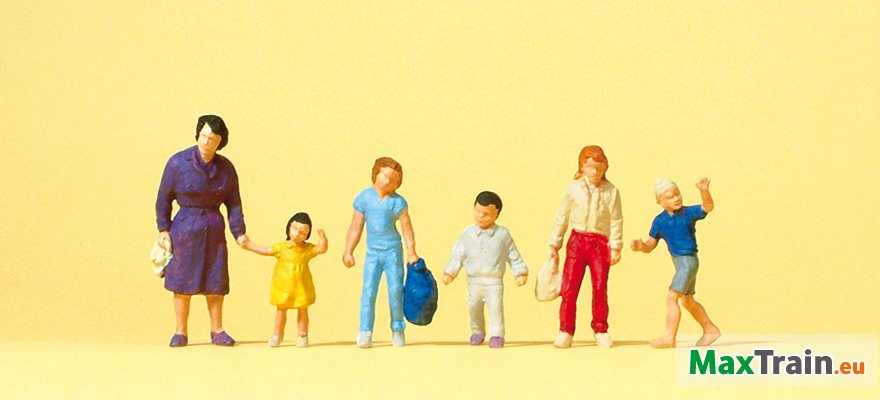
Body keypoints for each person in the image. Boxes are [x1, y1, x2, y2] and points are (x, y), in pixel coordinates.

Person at [156, 115, 253, 347]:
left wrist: (239, 232)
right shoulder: (177, 163)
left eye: (212, 139)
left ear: (220, 142)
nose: (206, 142)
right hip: (184, 229)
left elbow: (234, 203)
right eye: (203, 136)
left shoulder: (226, 168)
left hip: (213, 229)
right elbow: (163, 198)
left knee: (215, 281)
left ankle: (217, 329)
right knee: (181, 282)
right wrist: (163, 228)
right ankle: (180, 331)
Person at [631, 178, 721, 348]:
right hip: (680, 264)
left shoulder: (688, 213)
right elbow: (650, 244)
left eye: (677, 194)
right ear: (660, 201)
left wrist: (704, 191)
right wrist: (641, 246)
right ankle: (710, 329)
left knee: (672, 298)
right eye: (670, 197)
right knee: (687, 300)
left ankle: (669, 338)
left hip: (688, 262)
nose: (676, 198)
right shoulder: (660, 221)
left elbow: (708, 206)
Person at [548, 145, 623, 348]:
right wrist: (555, 243)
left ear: (605, 167)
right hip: (577, 241)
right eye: (590, 167)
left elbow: (616, 220)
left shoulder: (611, 191)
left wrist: (616, 247)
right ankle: (565, 330)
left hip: (599, 244)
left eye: (599, 167)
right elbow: (562, 216)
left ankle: (600, 329)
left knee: (600, 288)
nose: (594, 172)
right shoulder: (573, 188)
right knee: (569, 288)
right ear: (581, 166)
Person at [342, 157, 419, 348]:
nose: (387, 181)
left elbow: (407, 230)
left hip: (393, 252)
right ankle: (365, 330)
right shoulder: (364, 199)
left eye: (393, 179)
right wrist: (348, 250)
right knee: (368, 291)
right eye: (384, 175)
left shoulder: (398, 203)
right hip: (372, 254)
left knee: (396, 291)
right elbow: (355, 227)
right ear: (375, 174)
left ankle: (398, 328)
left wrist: (411, 251)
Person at [443, 191, 528, 349]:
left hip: (494, 281)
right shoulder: (467, 234)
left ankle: (497, 334)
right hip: (474, 281)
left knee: (495, 308)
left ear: (497, 214)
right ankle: (477, 331)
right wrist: (450, 272)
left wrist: (519, 272)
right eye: (478, 211)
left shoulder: (502, 235)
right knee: (473, 308)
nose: (481, 216)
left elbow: (513, 254)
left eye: (486, 214)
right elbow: (458, 254)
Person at [240, 212, 328, 348]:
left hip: (302, 286)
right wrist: (249, 245)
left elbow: (321, 249)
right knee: (281, 310)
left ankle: (302, 335)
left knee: (302, 310)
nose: (297, 234)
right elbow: (266, 250)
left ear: (307, 234)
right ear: (288, 228)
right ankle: (277, 335)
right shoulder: (281, 247)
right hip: (283, 287)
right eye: (295, 229)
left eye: (303, 232)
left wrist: (322, 237)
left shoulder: (307, 249)